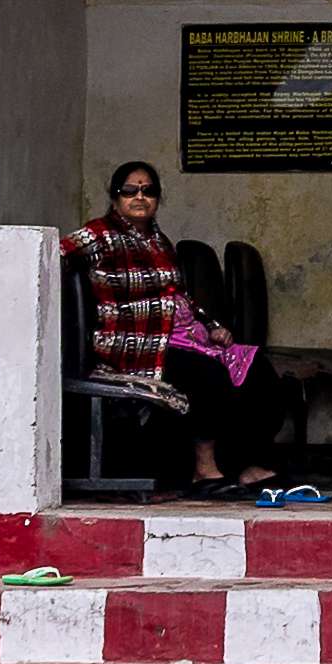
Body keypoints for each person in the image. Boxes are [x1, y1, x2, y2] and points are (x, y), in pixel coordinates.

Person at [67, 164, 309, 503]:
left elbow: (179, 295)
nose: (140, 197)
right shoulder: (100, 235)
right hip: (136, 346)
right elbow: (56, 253)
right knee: (206, 375)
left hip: (180, 336)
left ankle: (248, 464)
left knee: (257, 369)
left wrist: (211, 326)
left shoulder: (158, 240)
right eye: (130, 190)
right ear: (115, 197)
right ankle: (204, 470)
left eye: (148, 190)